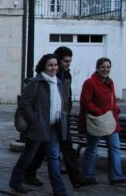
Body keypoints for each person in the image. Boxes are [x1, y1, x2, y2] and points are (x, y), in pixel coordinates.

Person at [9, 54, 74, 196]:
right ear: (44, 66)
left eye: (56, 65)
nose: (53, 68)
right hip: (38, 127)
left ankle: (59, 189)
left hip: (53, 126)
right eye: (50, 65)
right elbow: (24, 104)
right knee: (29, 155)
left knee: (53, 157)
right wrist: (36, 120)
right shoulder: (35, 82)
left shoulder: (57, 82)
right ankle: (16, 180)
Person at [24, 46, 84, 188]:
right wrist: (35, 119)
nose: (67, 64)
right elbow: (26, 103)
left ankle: (74, 179)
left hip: (61, 117)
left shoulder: (65, 76)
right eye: (65, 61)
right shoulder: (44, 78)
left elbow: (66, 96)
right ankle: (26, 174)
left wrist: (66, 111)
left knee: (65, 147)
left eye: (69, 61)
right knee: (39, 150)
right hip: (45, 119)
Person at [78, 57, 126, 185]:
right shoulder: (89, 83)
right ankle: (87, 175)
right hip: (97, 120)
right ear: (97, 68)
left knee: (115, 147)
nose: (105, 69)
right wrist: (100, 112)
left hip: (110, 120)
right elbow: (86, 102)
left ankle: (116, 176)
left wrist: (115, 110)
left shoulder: (110, 81)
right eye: (103, 67)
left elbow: (112, 99)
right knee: (92, 149)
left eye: (108, 67)